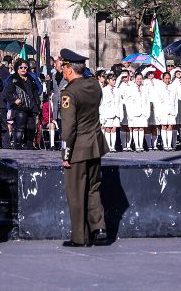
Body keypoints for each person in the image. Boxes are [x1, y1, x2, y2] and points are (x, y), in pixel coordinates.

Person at [58, 49, 108, 247]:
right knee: (94, 188)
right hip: (95, 145)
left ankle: (80, 237)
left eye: (64, 67)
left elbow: (68, 128)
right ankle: (99, 228)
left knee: (76, 192)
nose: (62, 70)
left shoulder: (69, 92)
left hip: (78, 148)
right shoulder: (95, 85)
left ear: (69, 69)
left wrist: (65, 153)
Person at [5, 59, 41, 149]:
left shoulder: (31, 78)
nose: (23, 69)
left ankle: (29, 145)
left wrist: (37, 104)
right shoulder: (13, 78)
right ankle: (17, 145)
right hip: (20, 107)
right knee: (20, 127)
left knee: (32, 128)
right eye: (21, 67)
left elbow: (36, 91)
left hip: (31, 106)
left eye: (25, 67)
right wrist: (14, 100)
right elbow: (7, 93)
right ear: (17, 68)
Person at [99, 72, 121, 152]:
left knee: (114, 129)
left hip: (116, 112)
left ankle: (113, 146)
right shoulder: (104, 90)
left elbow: (119, 102)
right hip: (107, 112)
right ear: (108, 80)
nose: (114, 81)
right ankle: (108, 146)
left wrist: (120, 113)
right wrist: (102, 115)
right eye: (112, 80)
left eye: (115, 80)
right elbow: (101, 103)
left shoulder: (117, 90)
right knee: (108, 129)